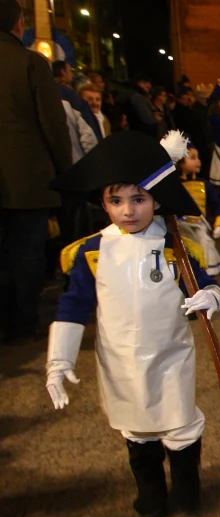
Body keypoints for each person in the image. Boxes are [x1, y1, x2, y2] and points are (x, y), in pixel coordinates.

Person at [45, 131, 220, 517]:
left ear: (156, 200)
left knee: (180, 426)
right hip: (120, 361)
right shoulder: (92, 253)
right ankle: (151, 495)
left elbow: (207, 285)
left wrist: (210, 299)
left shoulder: (176, 246)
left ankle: (186, 491)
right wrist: (59, 361)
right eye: (116, 200)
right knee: (136, 430)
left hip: (170, 356)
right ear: (103, 203)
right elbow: (73, 307)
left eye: (139, 198)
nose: (128, 210)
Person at [0, 0, 72, 342]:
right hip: (25, 179)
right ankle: (22, 321)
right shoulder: (30, 63)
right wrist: (64, 172)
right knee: (27, 251)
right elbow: (53, 126)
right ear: (18, 25)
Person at [177, 136, 220, 276]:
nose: (198, 161)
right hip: (181, 233)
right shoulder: (174, 186)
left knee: (207, 266)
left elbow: (217, 205)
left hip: (201, 232)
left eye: (198, 157)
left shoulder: (204, 184)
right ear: (180, 161)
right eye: (192, 157)